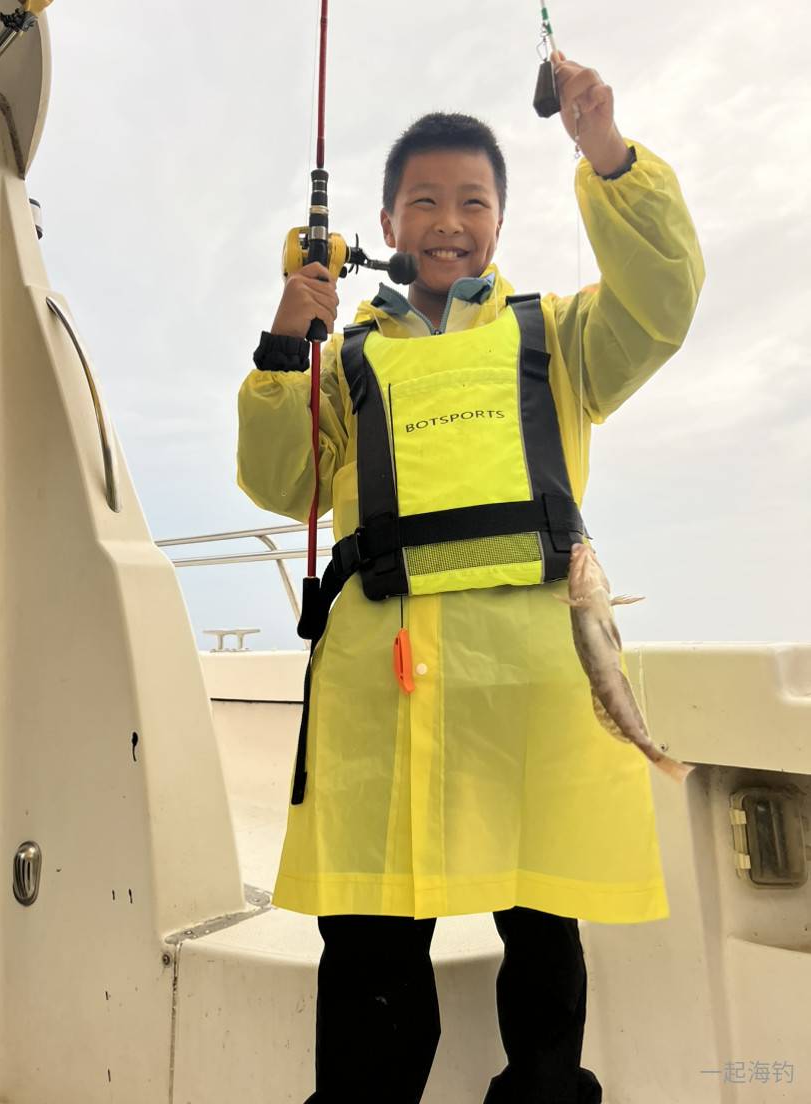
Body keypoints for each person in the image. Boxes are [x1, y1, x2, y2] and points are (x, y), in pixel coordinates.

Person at [237, 50, 705, 1104]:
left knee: (543, 952)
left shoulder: (561, 335)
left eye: (473, 201)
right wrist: (285, 343)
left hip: (533, 697)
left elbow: (664, 302)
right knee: (370, 967)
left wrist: (609, 154)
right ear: (387, 224)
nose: (449, 222)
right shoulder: (346, 359)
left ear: (500, 218)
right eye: (424, 201)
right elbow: (282, 484)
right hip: (380, 702)